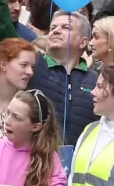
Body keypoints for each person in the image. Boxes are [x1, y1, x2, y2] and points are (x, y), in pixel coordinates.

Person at [30, 12, 97, 143]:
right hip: (35, 158)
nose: (56, 31)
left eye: (66, 28)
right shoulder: (34, 66)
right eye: (53, 28)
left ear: (83, 42)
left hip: (78, 160)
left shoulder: (96, 80)